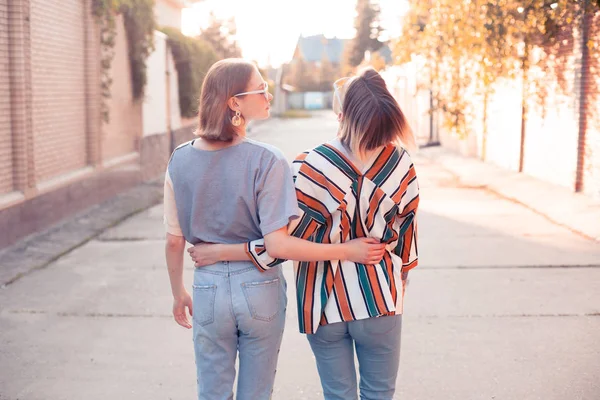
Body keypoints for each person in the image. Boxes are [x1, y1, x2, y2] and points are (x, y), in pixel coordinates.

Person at [189, 68, 420, 400]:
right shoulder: (402, 164)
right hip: (381, 299)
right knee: (379, 394)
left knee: (338, 395)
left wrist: (221, 252)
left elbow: (278, 244)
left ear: (345, 113)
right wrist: (398, 285)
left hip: (323, 305)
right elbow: (407, 240)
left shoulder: (310, 166)